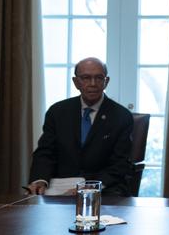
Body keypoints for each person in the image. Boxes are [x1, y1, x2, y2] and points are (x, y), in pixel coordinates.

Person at [26, 57, 133, 196]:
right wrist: (40, 180)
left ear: (106, 82)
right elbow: (45, 152)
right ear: (76, 82)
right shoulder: (57, 111)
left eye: (99, 78)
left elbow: (120, 164)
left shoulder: (121, 116)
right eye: (86, 78)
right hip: (60, 188)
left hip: (104, 189)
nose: (93, 83)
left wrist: (90, 187)